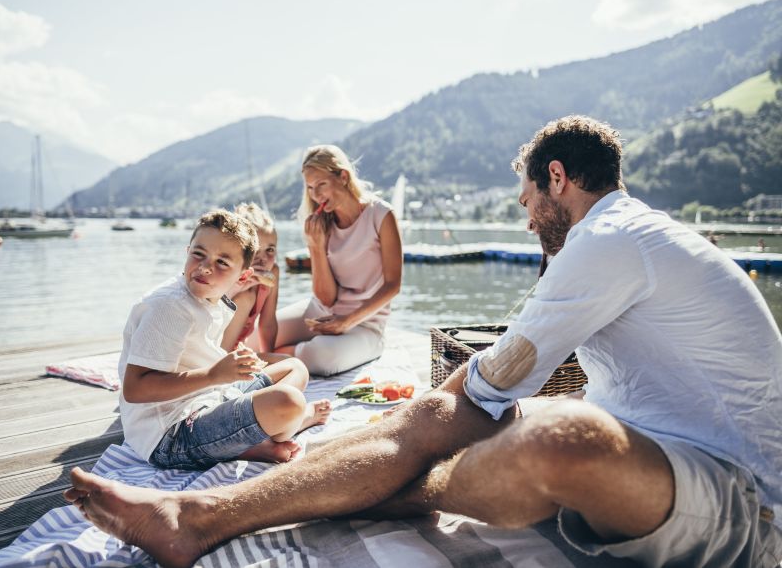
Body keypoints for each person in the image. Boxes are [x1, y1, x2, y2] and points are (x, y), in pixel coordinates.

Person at [66, 117, 782, 568]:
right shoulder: (626, 237)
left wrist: (408, 436)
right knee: (465, 418)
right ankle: (205, 515)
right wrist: (406, 425)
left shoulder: (609, 239)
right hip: (666, 455)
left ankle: (355, 495)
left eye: (529, 202)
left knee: (555, 434)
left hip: (743, 501)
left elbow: (481, 388)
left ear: (556, 178)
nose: (529, 220)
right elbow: (496, 382)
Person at [115, 208, 330, 470]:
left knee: (294, 367)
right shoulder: (169, 308)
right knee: (289, 402)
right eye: (199, 254)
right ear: (187, 251)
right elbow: (135, 390)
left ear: (242, 276)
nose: (205, 267)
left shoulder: (212, 298)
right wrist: (214, 375)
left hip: (210, 397)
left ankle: (251, 438)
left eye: (222, 262)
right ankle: (281, 429)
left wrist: (229, 370)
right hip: (170, 435)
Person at [273, 144, 403, 375]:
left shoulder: (381, 215)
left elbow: (393, 285)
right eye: (310, 188)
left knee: (323, 356)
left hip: (366, 323)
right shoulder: (321, 224)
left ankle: (275, 359)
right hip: (322, 311)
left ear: (343, 176)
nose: (316, 195)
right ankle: (280, 357)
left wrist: (346, 322)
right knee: (261, 333)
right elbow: (326, 298)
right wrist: (316, 246)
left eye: (321, 184)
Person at [222, 202, 281, 353]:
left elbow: (267, 323)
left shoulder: (272, 272)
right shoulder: (227, 274)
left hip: (238, 349)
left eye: (270, 249)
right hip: (215, 353)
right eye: (255, 249)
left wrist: (268, 357)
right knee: (245, 298)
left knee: (290, 364)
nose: (263, 258)